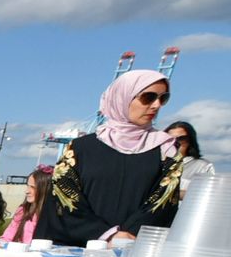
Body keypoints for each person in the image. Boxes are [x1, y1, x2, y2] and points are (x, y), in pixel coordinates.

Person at [37, 70, 182, 246]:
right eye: (148, 97)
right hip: (76, 253)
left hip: (132, 253)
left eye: (163, 98)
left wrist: (126, 238)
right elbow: (63, 198)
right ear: (123, 97)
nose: (156, 105)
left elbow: (162, 204)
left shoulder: (166, 152)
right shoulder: (79, 149)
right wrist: (106, 235)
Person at [164, 121, 215, 193]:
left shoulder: (203, 166)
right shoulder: (155, 163)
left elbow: (207, 194)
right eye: (170, 139)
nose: (175, 142)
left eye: (181, 138)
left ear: (190, 140)